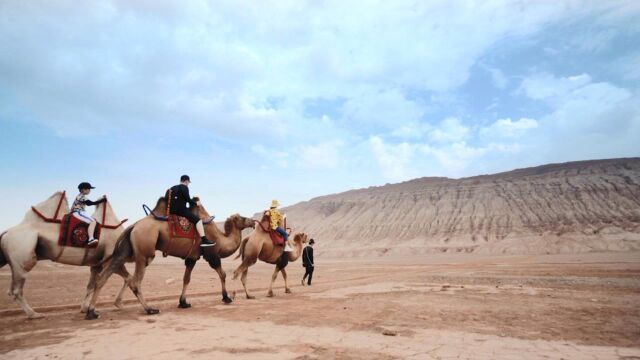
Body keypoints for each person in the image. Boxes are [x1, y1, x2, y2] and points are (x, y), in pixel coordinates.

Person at [167, 175, 215, 247]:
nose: (188, 184)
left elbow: (167, 199)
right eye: (188, 182)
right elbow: (188, 199)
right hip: (181, 210)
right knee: (198, 221)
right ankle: (204, 240)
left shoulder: (172, 188)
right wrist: (196, 203)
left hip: (171, 211)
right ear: (186, 181)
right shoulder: (184, 187)